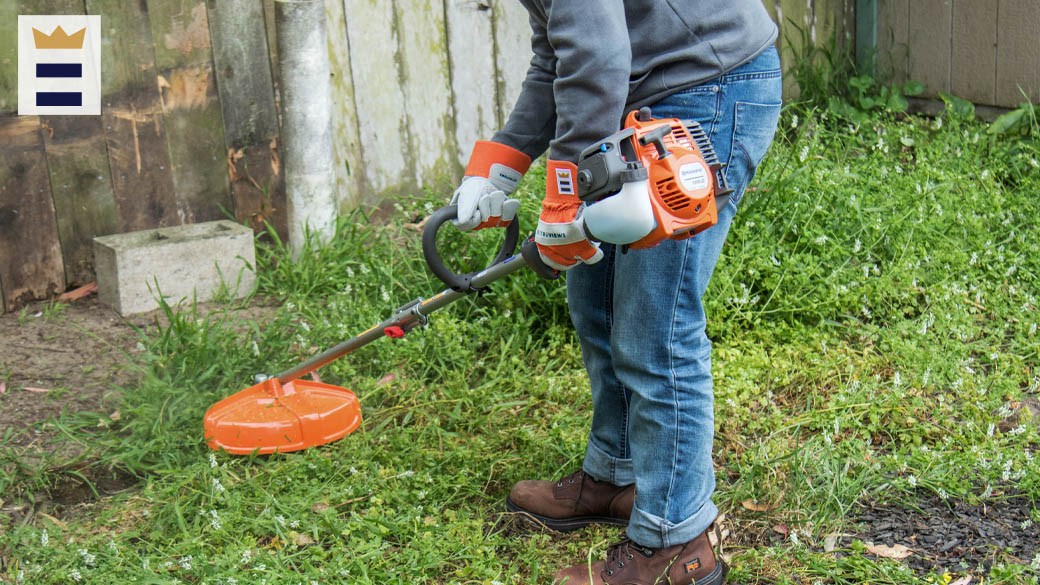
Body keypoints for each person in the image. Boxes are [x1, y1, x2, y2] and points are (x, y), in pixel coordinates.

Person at [449, 2, 782, 583]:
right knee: (597, 302)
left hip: (706, 89)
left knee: (656, 327)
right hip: (637, 93)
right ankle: (619, 472)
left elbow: (597, 55)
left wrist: (563, 191)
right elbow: (561, 53)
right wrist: (502, 162)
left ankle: (677, 540)